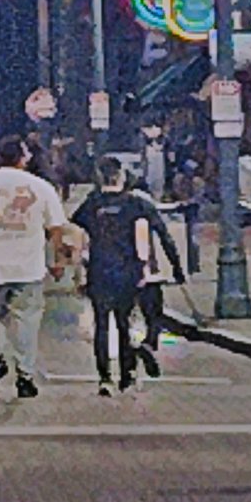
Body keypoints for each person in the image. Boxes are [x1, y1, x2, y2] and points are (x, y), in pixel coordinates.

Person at [0, 134, 66, 400]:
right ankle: (25, 375)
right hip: (28, 266)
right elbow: (56, 227)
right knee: (27, 319)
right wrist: (58, 260)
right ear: (22, 158)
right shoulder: (40, 187)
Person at [71, 157, 152, 396]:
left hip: (99, 269)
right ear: (121, 176)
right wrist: (144, 267)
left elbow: (81, 239)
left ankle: (105, 377)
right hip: (127, 269)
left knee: (102, 325)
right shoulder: (133, 204)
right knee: (125, 322)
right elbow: (141, 238)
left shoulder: (91, 204)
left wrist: (79, 273)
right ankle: (128, 374)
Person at [130, 184, 186, 376]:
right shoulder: (145, 206)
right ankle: (149, 344)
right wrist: (177, 267)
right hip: (147, 271)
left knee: (121, 317)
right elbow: (165, 237)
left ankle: (126, 359)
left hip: (116, 271)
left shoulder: (109, 204)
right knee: (154, 314)